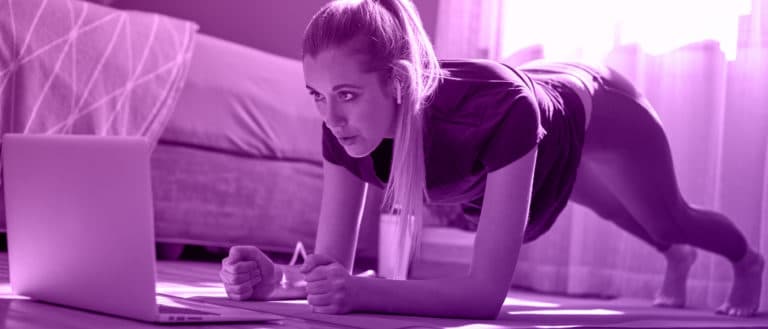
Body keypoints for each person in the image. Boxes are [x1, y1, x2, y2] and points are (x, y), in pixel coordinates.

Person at [219, 0, 764, 319]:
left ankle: (746, 261)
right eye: (317, 95)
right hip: (539, 135)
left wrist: (362, 289)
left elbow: (484, 297)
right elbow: (328, 267)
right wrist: (277, 281)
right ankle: (677, 260)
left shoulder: (498, 112)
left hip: (597, 104)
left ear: (399, 83)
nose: (331, 119)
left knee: (669, 218)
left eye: (347, 95)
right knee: (614, 212)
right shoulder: (341, 130)